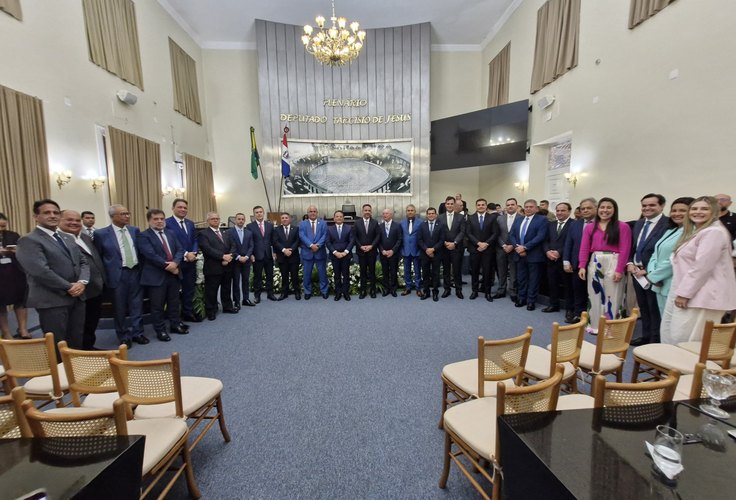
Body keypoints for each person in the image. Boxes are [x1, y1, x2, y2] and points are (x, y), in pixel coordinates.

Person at [662, 197, 736, 344]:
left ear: (714, 211)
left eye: (704, 209)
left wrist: (684, 294)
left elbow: (701, 267)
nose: (698, 212)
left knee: (687, 340)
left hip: (702, 297)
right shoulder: (699, 230)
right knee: (672, 334)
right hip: (686, 291)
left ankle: (686, 367)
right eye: (694, 208)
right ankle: (671, 366)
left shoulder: (714, 232)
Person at [16, 200, 89, 349]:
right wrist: (69, 287)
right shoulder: (29, 240)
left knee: (76, 338)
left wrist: (82, 282)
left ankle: (76, 370)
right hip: (52, 300)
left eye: (56, 212)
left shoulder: (67, 237)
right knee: (58, 343)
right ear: (36, 216)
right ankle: (60, 372)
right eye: (47, 212)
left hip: (77, 297)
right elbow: (40, 271)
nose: (52, 215)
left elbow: (83, 262)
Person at [94, 204, 145, 348]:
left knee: (137, 305)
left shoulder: (134, 230)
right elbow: (98, 256)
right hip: (117, 274)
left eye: (127, 213)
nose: (127, 216)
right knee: (119, 307)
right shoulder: (101, 234)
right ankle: (123, 335)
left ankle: (138, 333)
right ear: (113, 216)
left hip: (135, 271)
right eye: (123, 214)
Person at [578, 197, 632, 333]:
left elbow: (625, 249)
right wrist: (582, 265)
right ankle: (595, 325)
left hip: (614, 261)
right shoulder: (591, 227)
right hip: (595, 261)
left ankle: (611, 327)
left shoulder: (623, 226)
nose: (605, 210)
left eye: (609, 207)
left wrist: (620, 269)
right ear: (597, 209)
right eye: (602, 207)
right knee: (595, 294)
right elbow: (584, 247)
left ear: (614, 210)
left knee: (613, 295)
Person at [137, 209, 189, 341]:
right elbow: (150, 255)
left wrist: (176, 263)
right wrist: (169, 266)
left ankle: (175, 324)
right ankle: (160, 330)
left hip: (173, 274)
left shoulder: (170, 233)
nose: (159, 221)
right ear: (149, 221)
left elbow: (180, 249)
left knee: (174, 302)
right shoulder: (144, 236)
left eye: (161, 218)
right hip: (156, 276)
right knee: (157, 306)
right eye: (156, 219)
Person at [59, 210, 106, 350]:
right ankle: (77, 353)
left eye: (77, 220)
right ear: (59, 221)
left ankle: (88, 346)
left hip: (95, 288)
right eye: (69, 220)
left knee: (91, 321)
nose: (74, 223)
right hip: (76, 290)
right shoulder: (60, 240)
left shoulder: (85, 237)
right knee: (77, 324)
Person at [627, 194, 670, 346]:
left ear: (662, 206)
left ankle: (655, 340)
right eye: (644, 205)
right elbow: (633, 247)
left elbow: (669, 252)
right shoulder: (639, 224)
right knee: (643, 307)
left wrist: (648, 270)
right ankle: (645, 336)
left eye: (652, 205)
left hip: (654, 275)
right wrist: (630, 262)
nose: (647, 208)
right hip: (636, 273)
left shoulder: (668, 224)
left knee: (654, 308)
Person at [645, 197, 694, 317]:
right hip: (659, 284)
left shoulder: (693, 233)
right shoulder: (670, 231)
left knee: (676, 324)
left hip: (674, 283)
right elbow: (655, 255)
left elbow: (675, 259)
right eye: (674, 210)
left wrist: (654, 276)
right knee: (665, 323)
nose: (677, 214)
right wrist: (651, 272)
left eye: (682, 210)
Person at [166, 199, 201, 322]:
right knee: (174, 292)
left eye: (185, 208)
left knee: (189, 289)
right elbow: (170, 243)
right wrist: (186, 254)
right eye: (180, 207)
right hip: (176, 262)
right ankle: (174, 318)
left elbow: (195, 240)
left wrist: (194, 252)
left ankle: (187, 312)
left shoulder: (190, 223)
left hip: (191, 261)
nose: (183, 210)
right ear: (173, 208)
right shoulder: (166, 223)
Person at [509, 199, 548, 311]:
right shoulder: (518, 219)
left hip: (534, 255)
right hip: (519, 254)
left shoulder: (542, 220)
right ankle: (522, 298)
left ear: (536, 208)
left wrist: (525, 247)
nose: (528, 209)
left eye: (531, 207)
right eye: (526, 207)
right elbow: (511, 235)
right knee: (521, 278)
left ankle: (531, 301)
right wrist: (517, 247)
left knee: (533, 279)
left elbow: (540, 237)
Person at [197, 212, 236, 320]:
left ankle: (227, 306)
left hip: (227, 266)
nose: (215, 220)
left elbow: (233, 246)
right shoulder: (203, 234)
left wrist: (229, 257)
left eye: (217, 218)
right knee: (211, 291)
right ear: (208, 221)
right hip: (213, 267)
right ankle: (211, 310)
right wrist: (223, 257)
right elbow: (207, 249)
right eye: (213, 219)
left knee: (227, 288)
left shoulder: (226, 233)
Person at [563, 198, 596, 323]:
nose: (585, 210)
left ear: (596, 208)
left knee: (595, 291)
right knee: (578, 290)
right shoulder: (575, 224)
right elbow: (568, 243)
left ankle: (595, 316)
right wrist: (566, 261)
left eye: (589, 208)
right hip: (577, 263)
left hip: (596, 264)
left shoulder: (602, 223)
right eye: (583, 208)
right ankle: (579, 314)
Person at [0, 212, 31, 339]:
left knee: (21, 301)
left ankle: (23, 329)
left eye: (3, 226)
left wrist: (17, 250)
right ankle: (6, 332)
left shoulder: (13, 235)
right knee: (0, 304)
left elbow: (24, 251)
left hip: (15, 272)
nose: (1, 229)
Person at [466, 198, 499, 301]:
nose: (481, 206)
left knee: (487, 272)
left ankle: (487, 292)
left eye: (483, 205)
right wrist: (478, 243)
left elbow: (495, 233)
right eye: (479, 205)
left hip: (488, 249)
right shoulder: (470, 218)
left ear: (486, 206)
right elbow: (468, 233)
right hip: (474, 248)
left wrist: (486, 244)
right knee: (474, 271)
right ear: (476, 206)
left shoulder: (492, 218)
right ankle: (474, 291)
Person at [543, 202, 572, 313]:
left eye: (563, 210)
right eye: (558, 210)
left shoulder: (574, 224)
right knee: (552, 283)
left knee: (568, 286)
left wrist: (559, 252)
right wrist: (547, 252)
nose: (559, 213)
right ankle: (553, 304)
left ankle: (569, 309)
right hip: (550, 259)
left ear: (569, 211)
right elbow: (545, 240)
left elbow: (572, 242)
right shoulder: (550, 224)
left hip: (565, 260)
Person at [247, 206, 277, 303]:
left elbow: (273, 241)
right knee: (257, 277)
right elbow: (249, 242)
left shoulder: (270, 225)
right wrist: (251, 254)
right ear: (254, 214)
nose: (259, 214)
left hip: (268, 255)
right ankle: (257, 296)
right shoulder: (249, 226)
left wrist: (275, 252)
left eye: (260, 212)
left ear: (263, 213)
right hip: (257, 256)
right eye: (257, 212)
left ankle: (270, 294)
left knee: (269, 275)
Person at [299, 205, 329, 299]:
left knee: (322, 273)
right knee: (307, 274)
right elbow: (302, 235)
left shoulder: (323, 223)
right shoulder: (302, 224)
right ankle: (307, 291)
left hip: (320, 252)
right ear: (307, 213)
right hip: (307, 252)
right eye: (310, 211)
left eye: (314, 211)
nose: (312, 213)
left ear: (317, 213)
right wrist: (311, 245)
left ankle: (324, 290)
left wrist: (318, 245)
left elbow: (325, 235)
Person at [439, 196, 466, 299]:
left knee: (457, 270)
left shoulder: (460, 217)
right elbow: (439, 232)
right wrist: (445, 242)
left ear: (454, 205)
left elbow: (462, 232)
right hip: (444, 247)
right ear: (445, 205)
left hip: (456, 247)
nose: (449, 205)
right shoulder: (440, 217)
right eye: (448, 204)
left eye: (451, 203)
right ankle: (447, 289)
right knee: (446, 270)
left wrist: (454, 243)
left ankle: (458, 290)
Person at [417, 207, 445, 301]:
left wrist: (433, 249)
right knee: (425, 274)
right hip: (425, 254)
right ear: (427, 215)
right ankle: (426, 292)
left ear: (436, 215)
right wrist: (427, 250)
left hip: (437, 253)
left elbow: (442, 240)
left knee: (435, 274)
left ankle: (435, 292)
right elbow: (419, 240)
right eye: (429, 213)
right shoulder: (422, 225)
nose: (431, 215)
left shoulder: (441, 225)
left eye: (433, 213)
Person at [326, 210, 354, 301]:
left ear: (343, 218)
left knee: (346, 274)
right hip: (335, 255)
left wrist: (345, 252)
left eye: (340, 216)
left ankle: (346, 292)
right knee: (337, 275)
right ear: (334, 218)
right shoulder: (329, 228)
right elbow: (328, 242)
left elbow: (351, 241)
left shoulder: (349, 228)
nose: (339, 218)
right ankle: (338, 292)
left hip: (346, 255)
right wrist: (335, 252)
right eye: (337, 216)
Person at [353, 203, 380, 299]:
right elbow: (354, 237)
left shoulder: (375, 222)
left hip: (372, 252)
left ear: (371, 212)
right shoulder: (357, 223)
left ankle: (373, 290)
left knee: (372, 272)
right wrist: (360, 246)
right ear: (362, 211)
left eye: (369, 210)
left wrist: (371, 246)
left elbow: (378, 236)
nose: (367, 212)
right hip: (361, 252)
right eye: (366, 210)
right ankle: (363, 291)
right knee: (363, 272)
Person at [495, 198, 519, 300]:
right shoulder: (499, 218)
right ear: (506, 206)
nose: (510, 206)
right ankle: (501, 290)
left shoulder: (522, 218)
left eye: (512, 204)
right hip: (501, 248)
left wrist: (512, 246)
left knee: (514, 271)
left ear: (516, 206)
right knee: (501, 271)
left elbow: (521, 235)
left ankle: (513, 291)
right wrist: (504, 245)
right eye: (508, 205)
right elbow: (497, 234)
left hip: (515, 249)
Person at [272, 212, 300, 300]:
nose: (284, 219)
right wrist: (284, 250)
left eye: (286, 218)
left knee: (295, 275)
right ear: (281, 220)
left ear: (290, 219)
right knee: (284, 276)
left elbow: (298, 240)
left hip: (293, 256)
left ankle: (297, 292)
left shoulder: (296, 229)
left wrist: (291, 249)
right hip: (282, 256)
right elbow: (275, 242)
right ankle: (284, 293)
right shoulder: (276, 230)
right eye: (283, 218)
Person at [229, 212, 255, 306]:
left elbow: (251, 246)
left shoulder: (249, 233)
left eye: (242, 219)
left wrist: (247, 256)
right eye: (239, 219)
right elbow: (230, 247)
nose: (241, 221)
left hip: (246, 261)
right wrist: (239, 257)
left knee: (246, 281)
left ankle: (246, 299)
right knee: (236, 281)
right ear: (235, 220)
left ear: (244, 220)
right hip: (235, 261)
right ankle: (236, 301)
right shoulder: (229, 232)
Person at [378, 208, 402, 297]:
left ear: (391, 215)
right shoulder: (380, 226)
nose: (385, 215)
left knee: (393, 271)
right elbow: (378, 240)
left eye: (387, 213)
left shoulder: (397, 225)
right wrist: (382, 250)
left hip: (393, 253)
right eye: (383, 213)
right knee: (385, 272)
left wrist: (392, 250)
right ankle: (386, 289)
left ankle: (393, 289)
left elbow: (399, 239)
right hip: (383, 253)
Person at [400, 204, 423, 296]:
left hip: (416, 250)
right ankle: (408, 287)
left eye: (412, 210)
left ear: (415, 212)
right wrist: (401, 250)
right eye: (408, 210)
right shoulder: (401, 223)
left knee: (417, 271)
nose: (410, 212)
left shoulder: (420, 223)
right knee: (406, 271)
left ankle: (418, 288)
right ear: (406, 212)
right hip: (405, 251)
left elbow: (422, 237)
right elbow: (400, 237)